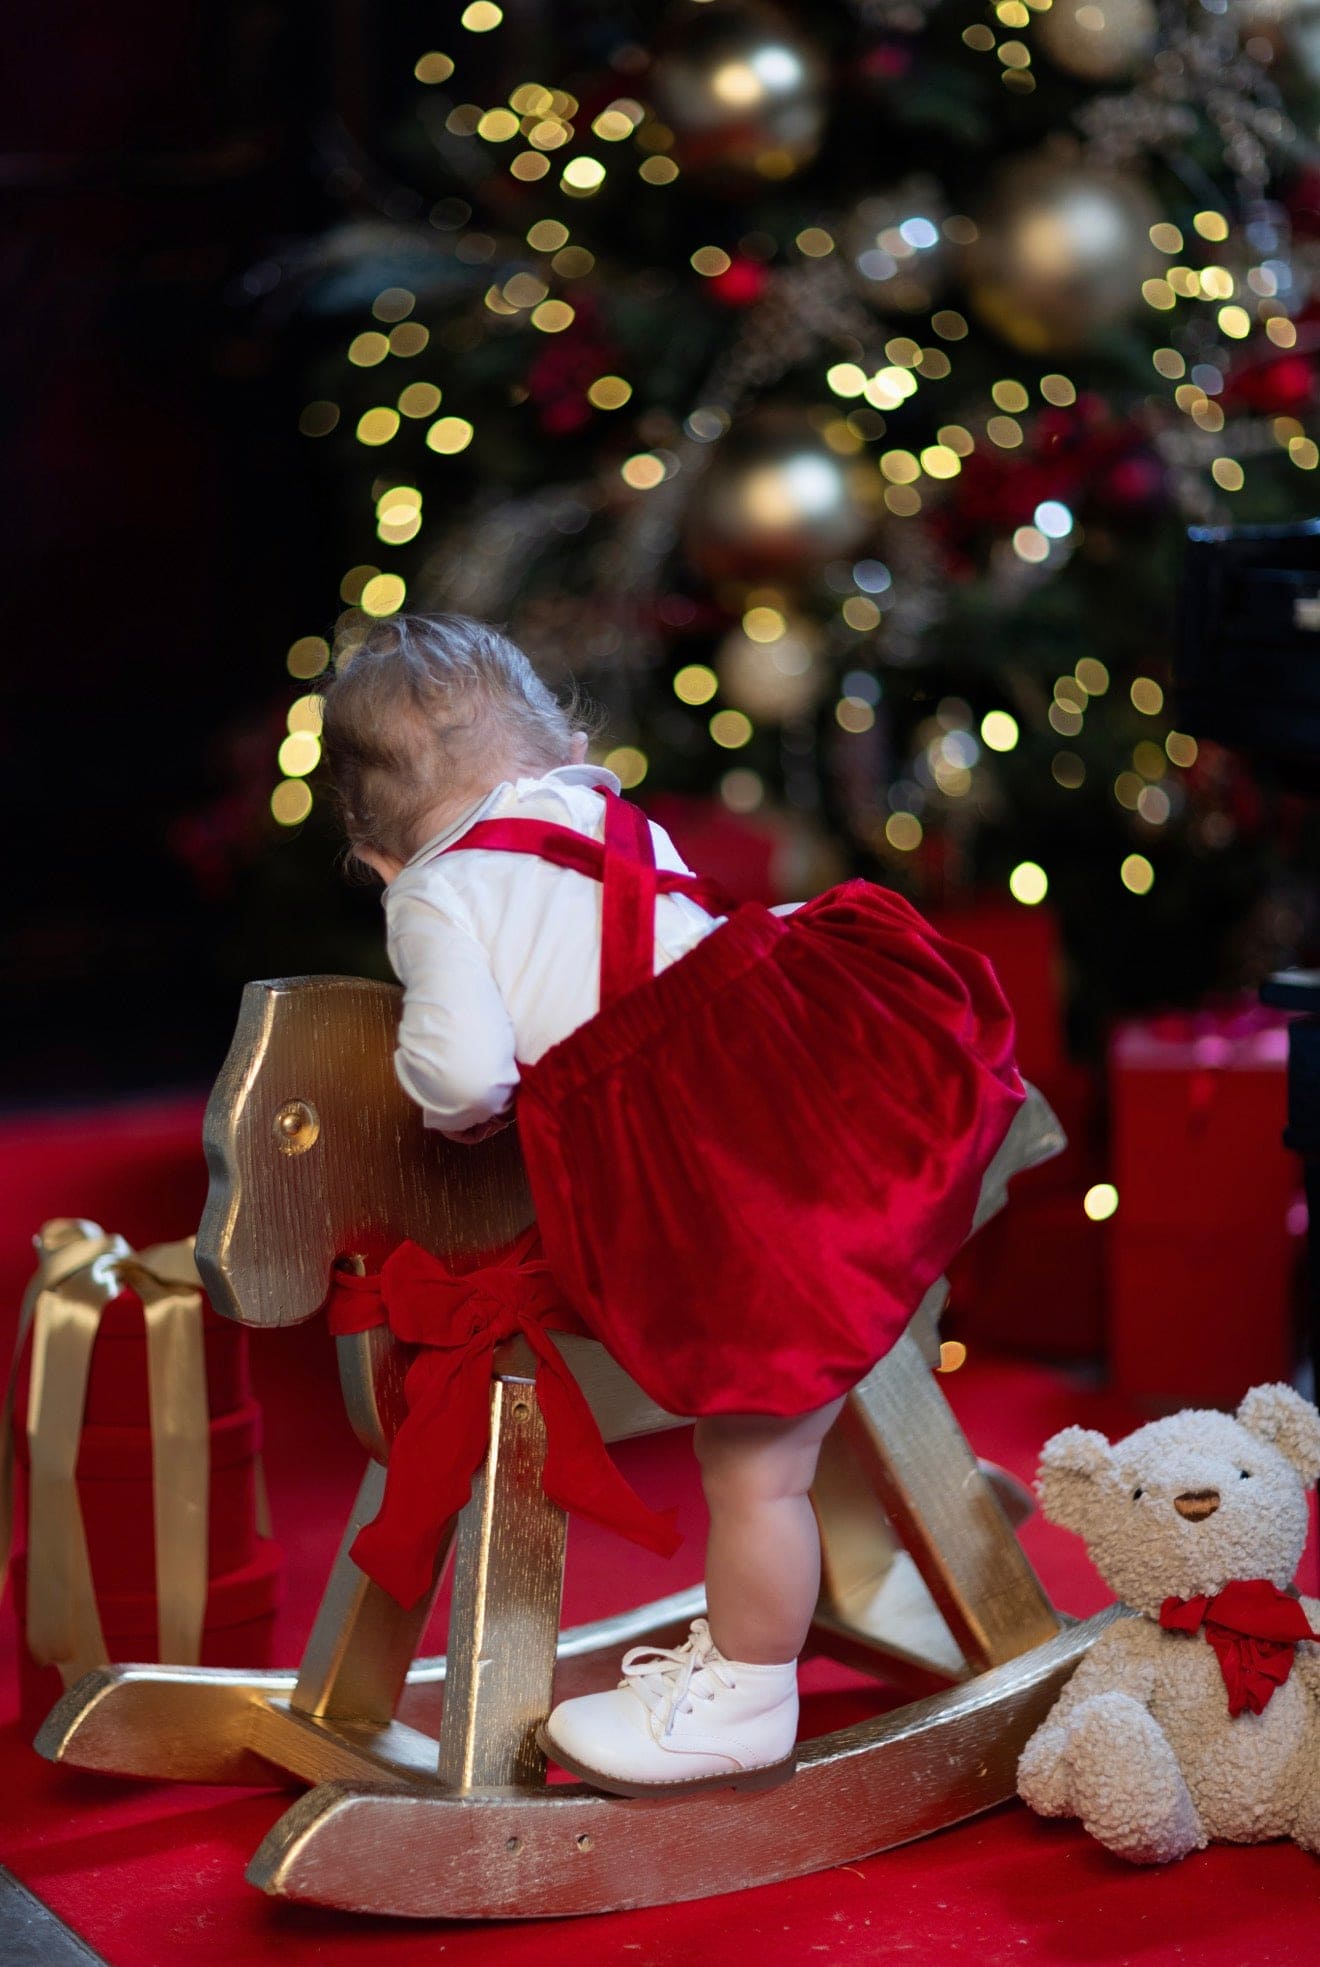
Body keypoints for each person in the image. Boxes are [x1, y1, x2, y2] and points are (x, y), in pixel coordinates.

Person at [320, 611, 1024, 1798]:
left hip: (715, 1163)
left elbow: (460, 1070)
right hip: (814, 1087)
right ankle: (925, 1510)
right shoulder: (601, 811)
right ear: (559, 746)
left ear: (377, 851)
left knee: (753, 1457)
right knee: (835, 1311)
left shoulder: (435, 893)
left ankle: (746, 1693)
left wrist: (455, 1116)